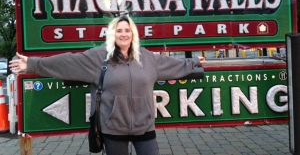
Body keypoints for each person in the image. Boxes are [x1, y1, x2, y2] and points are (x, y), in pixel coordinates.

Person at [10, 15, 206, 155]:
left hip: (145, 127)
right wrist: (32, 64)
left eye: (127, 30)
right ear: (112, 34)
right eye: (119, 30)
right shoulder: (98, 57)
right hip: (113, 129)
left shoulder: (147, 58)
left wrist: (195, 61)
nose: (123, 34)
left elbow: (173, 65)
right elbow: (67, 62)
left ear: (133, 34)